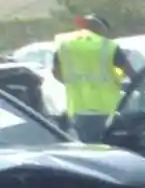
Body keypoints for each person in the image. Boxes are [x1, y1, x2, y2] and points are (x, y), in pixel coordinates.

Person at [51, 14, 135, 142]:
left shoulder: (65, 47)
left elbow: (56, 73)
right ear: (100, 31)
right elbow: (130, 73)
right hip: (106, 107)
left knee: (87, 146)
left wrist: (73, 84)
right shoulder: (108, 47)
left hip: (78, 107)